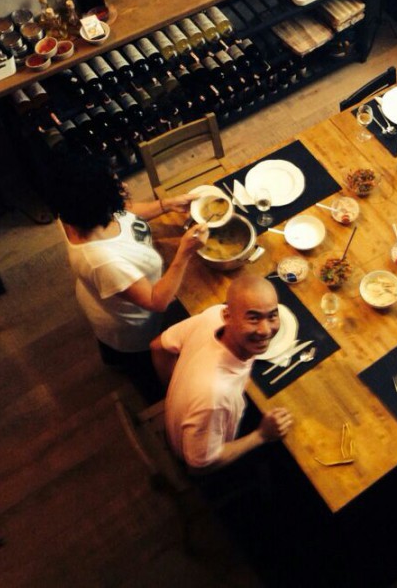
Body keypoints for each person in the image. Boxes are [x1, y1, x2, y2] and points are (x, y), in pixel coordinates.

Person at [43, 151, 207, 399]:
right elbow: (156, 301)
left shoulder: (75, 212)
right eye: (115, 185)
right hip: (131, 326)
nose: (125, 185)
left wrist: (166, 205)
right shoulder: (103, 261)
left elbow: (125, 213)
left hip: (105, 296)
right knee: (144, 370)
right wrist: (185, 252)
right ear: (98, 203)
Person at [151, 275, 293, 472]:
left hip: (193, 420)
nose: (265, 330)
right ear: (228, 317)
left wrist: (178, 391)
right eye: (253, 318)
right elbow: (199, 465)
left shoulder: (213, 315)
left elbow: (158, 346)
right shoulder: (215, 397)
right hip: (197, 456)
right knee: (284, 458)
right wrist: (261, 435)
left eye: (272, 316)